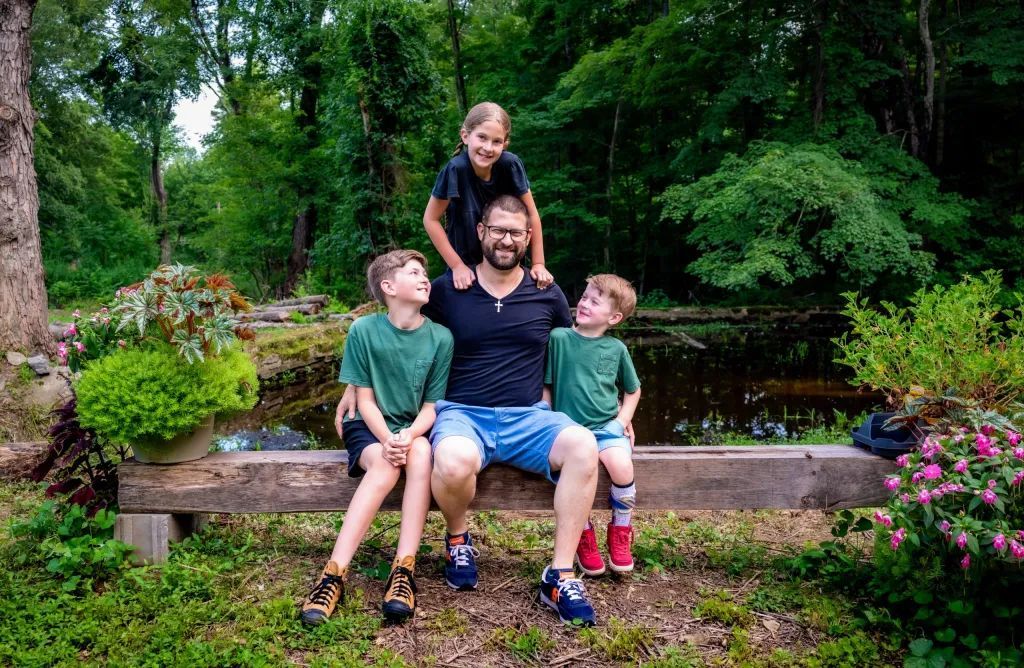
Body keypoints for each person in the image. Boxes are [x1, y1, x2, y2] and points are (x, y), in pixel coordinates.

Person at [336, 195, 600, 626]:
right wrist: (353, 387)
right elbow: (396, 325)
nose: (506, 239)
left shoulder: (545, 291)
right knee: (453, 460)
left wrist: (613, 414)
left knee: (583, 446)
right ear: (481, 232)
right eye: (497, 229)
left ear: (528, 238)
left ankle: (560, 574)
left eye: (516, 232)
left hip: (529, 415)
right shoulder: (447, 288)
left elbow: (575, 351)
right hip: (462, 411)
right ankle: (457, 538)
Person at [302, 249, 454, 626]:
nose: (425, 279)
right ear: (388, 286)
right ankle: (333, 574)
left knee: (420, 455)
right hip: (368, 424)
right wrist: (388, 438)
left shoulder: (440, 338)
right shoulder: (363, 331)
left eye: (425, 273)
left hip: (413, 425)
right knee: (387, 466)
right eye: (415, 272)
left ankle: (403, 571)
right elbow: (364, 399)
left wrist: (407, 434)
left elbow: (432, 407)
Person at [544, 274, 642, 576]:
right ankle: (582, 535)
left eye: (594, 301)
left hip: (605, 427)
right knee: (573, 474)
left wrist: (623, 420)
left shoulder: (615, 349)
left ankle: (620, 531)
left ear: (614, 317)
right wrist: (546, 417)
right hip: (569, 432)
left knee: (622, 467)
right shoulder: (558, 339)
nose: (583, 303)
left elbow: (632, 389)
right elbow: (546, 385)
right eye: (584, 297)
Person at [423, 101, 553, 291]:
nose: (488, 147)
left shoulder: (510, 165)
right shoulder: (455, 170)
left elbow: (532, 215)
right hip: (467, 267)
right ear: (465, 136)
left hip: (505, 261)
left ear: (505, 144)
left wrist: (538, 263)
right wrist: (457, 266)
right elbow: (430, 219)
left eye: (496, 141)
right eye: (482, 138)